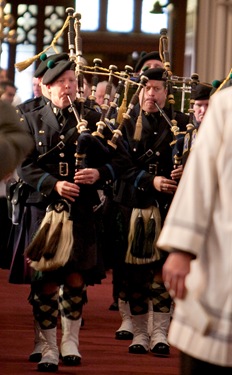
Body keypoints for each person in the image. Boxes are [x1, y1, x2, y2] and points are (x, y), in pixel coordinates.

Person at [14, 57, 132, 373]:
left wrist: (99, 173)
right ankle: (48, 346)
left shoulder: (91, 116)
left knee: (76, 278)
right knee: (47, 281)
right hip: (44, 206)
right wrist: (54, 184)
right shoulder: (29, 116)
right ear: (47, 87)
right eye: (63, 82)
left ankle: (70, 342)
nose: (70, 87)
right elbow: (23, 165)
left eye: (73, 80)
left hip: (82, 207)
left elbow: (121, 160)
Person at [112, 67, 189, 356]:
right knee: (134, 274)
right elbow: (119, 166)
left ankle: (160, 333)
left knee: (160, 272)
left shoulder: (180, 124)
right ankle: (141, 332)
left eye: (157, 89)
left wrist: (186, 169)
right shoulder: (125, 123)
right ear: (139, 91)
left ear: (167, 93)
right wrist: (150, 180)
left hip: (168, 207)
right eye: (147, 88)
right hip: (133, 204)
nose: (151, 94)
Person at [157, 85, 232, 374]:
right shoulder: (225, 106)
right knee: (209, 353)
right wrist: (181, 249)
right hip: (222, 252)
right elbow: (199, 177)